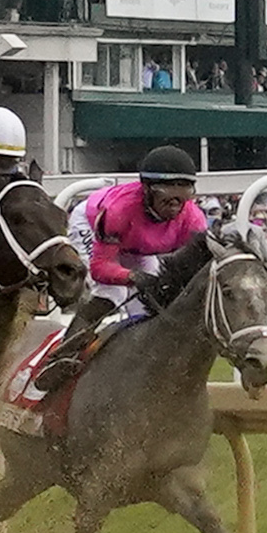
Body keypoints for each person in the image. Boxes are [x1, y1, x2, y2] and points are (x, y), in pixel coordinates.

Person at [52, 142, 210, 373]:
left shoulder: (194, 220)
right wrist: (134, 276)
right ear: (146, 190)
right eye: (167, 198)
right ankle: (61, 358)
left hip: (137, 246)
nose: (176, 207)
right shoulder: (119, 211)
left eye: (182, 197)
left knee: (149, 305)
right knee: (112, 293)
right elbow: (100, 268)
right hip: (91, 226)